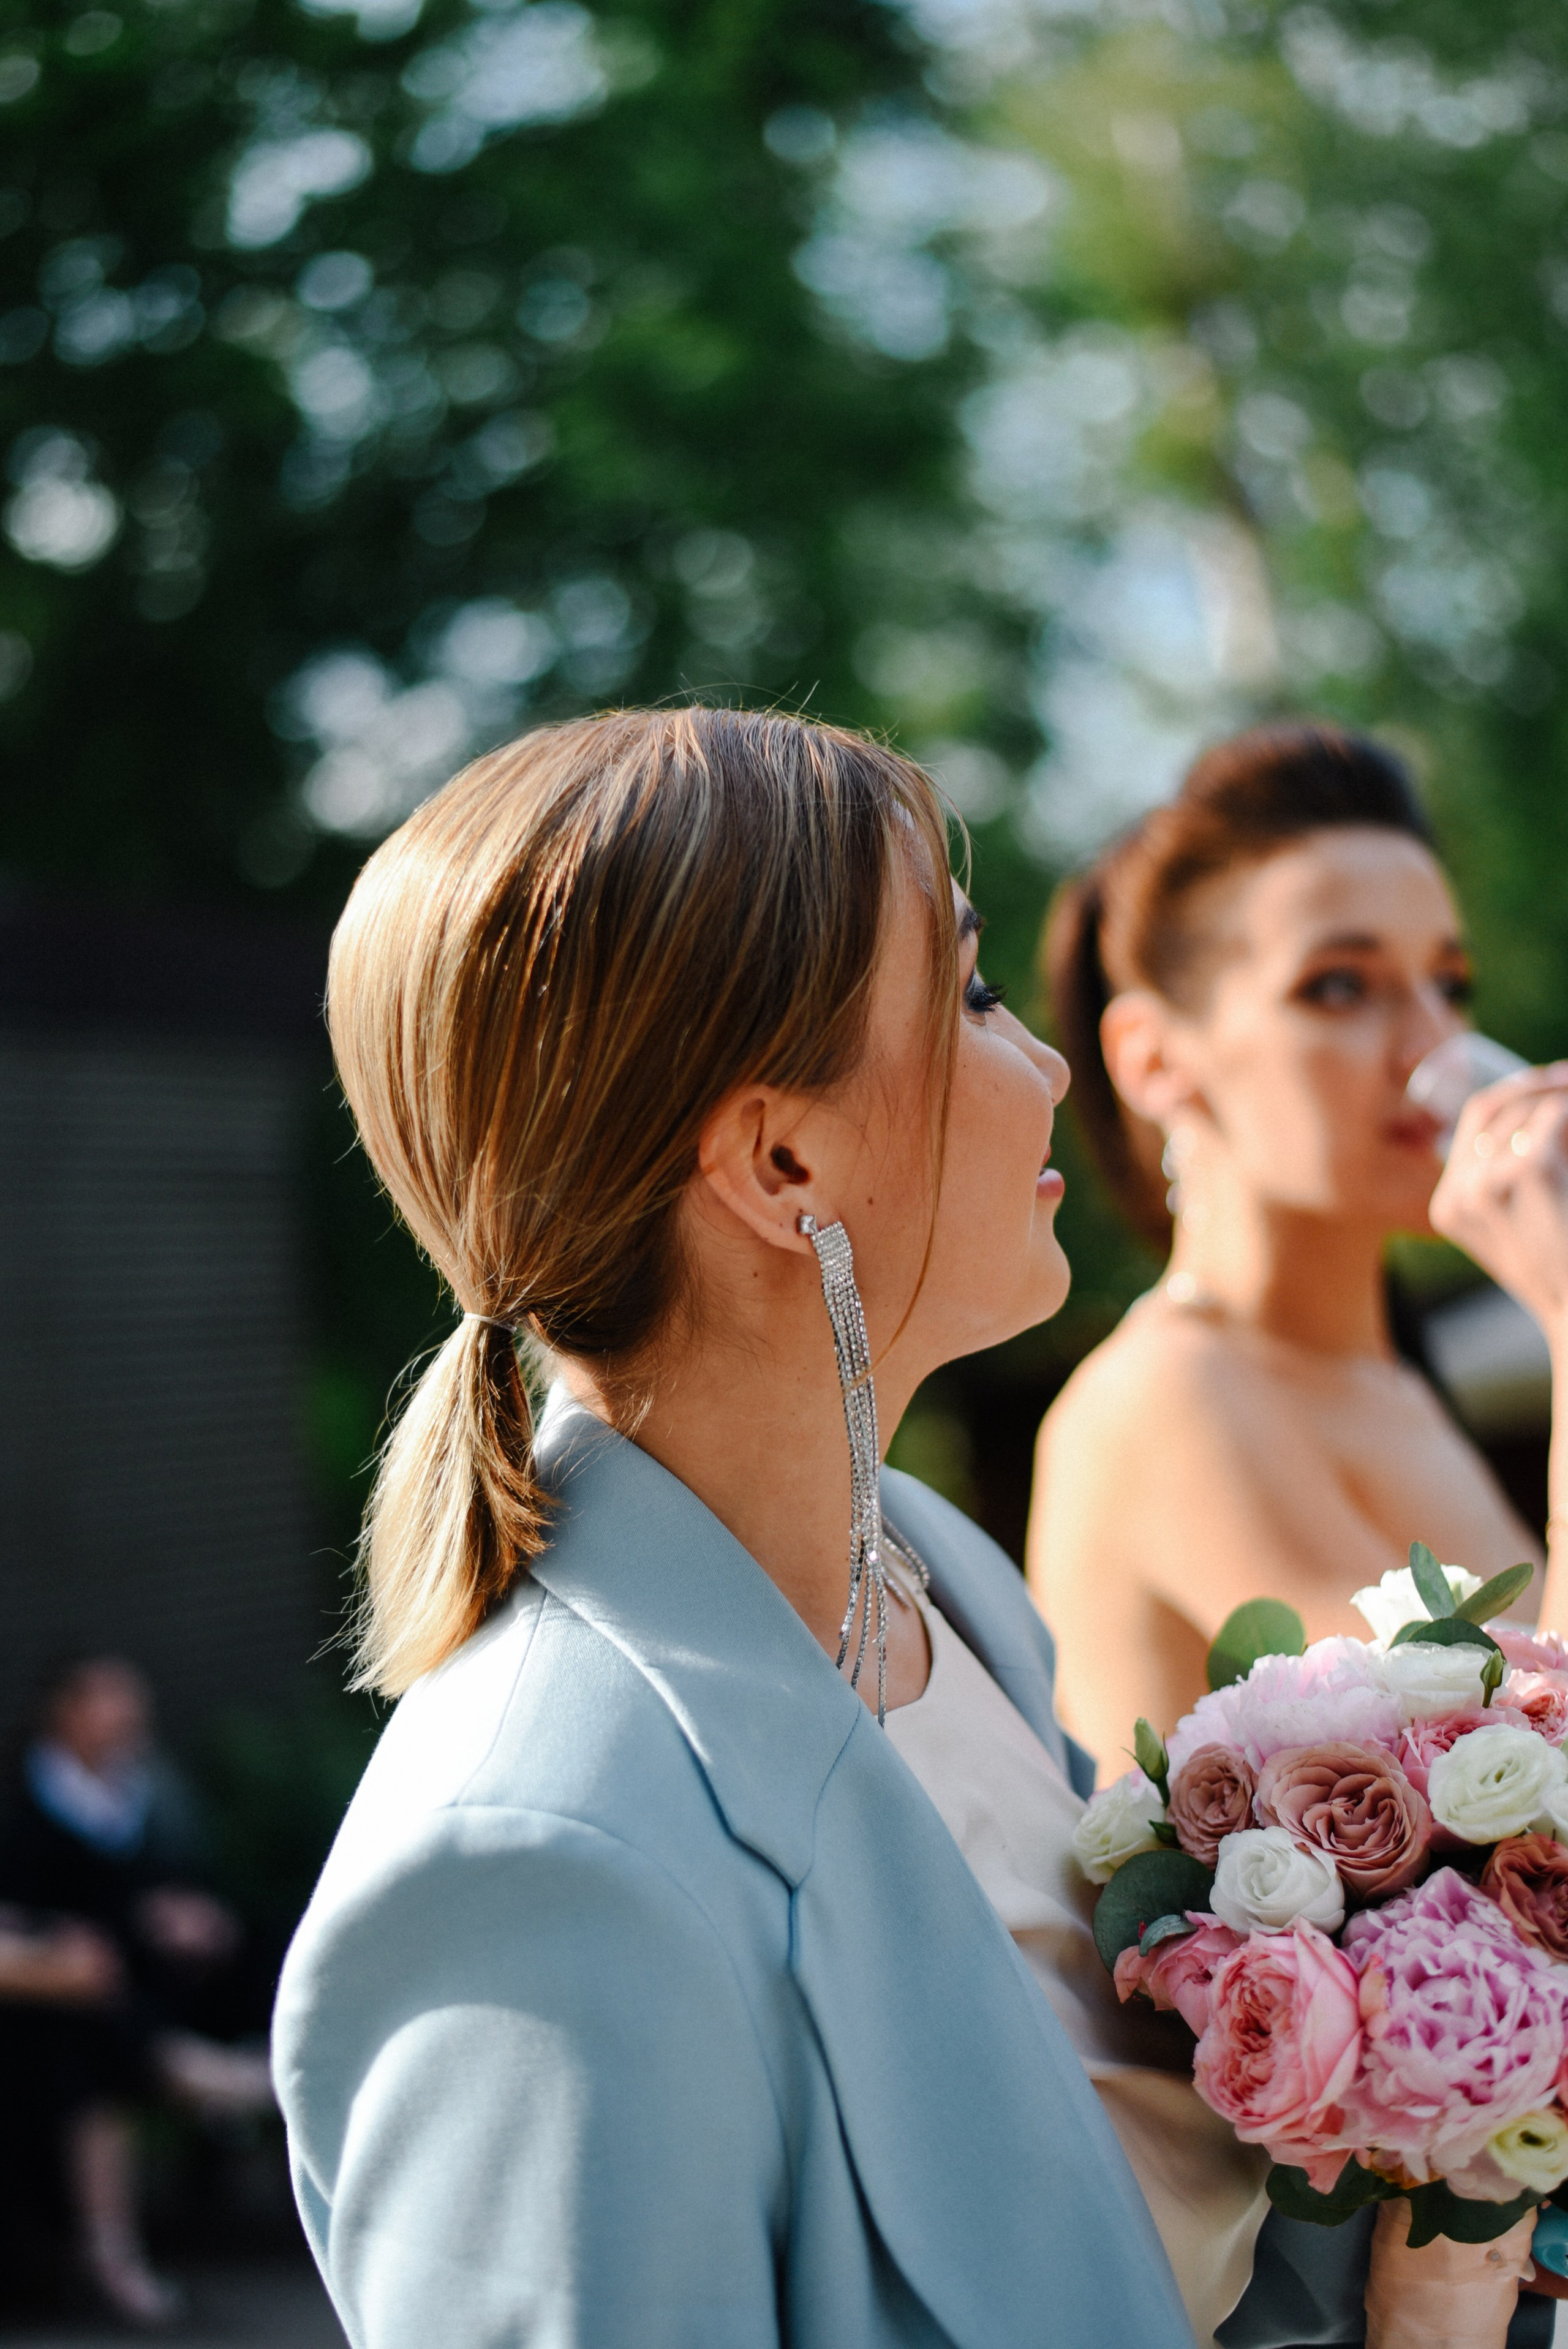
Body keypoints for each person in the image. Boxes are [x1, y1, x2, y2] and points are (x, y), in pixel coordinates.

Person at [273, 706, 1446, 2349]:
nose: (1044, 1061)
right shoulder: (543, 1869)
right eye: (968, 993)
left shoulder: (938, 1578)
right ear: (781, 1154)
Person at [1027, 723, 1564, 1773]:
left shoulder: (1395, 1388)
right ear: (1152, 1058)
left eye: (1448, 985)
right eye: (1340, 987)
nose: (1431, 1049)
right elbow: (1516, 1777)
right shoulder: (1166, 1399)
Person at [0, 1656, 273, 2326]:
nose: (129, 1716)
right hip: (60, 2004)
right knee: (84, 2047)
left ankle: (241, 2077)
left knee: (255, 1941)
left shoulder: (146, 1791)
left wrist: (184, 1911)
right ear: (64, 1712)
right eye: (110, 1701)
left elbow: (173, 1880)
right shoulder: (21, 1801)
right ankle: (237, 2084)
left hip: (138, 1978)